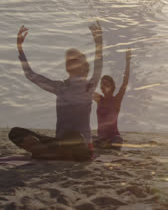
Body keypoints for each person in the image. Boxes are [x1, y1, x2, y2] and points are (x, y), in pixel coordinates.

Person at [8, 22, 103, 161]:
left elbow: (99, 65)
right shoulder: (59, 87)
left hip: (81, 146)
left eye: (76, 60)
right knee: (16, 133)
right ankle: (52, 151)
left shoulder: (89, 86)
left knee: (73, 136)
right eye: (69, 60)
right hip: (60, 143)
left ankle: (48, 152)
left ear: (84, 66)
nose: (71, 62)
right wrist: (20, 49)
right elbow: (31, 75)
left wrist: (98, 43)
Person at [92, 49, 131, 150]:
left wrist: (128, 61)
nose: (103, 87)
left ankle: (106, 145)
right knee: (88, 138)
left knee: (118, 140)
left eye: (106, 84)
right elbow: (87, 89)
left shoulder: (117, 100)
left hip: (114, 139)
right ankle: (103, 144)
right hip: (101, 139)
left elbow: (125, 82)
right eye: (102, 85)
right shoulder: (99, 99)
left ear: (112, 86)